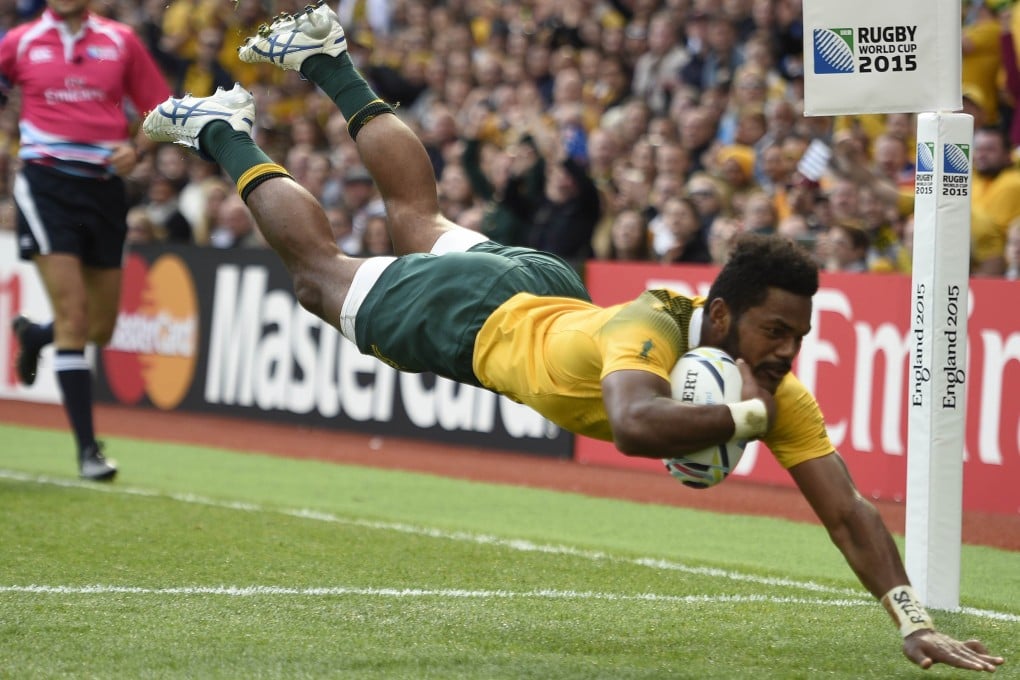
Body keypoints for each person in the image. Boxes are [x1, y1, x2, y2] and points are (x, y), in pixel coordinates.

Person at [142, 2, 1004, 672]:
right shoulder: (654, 330)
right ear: (725, 317)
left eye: (798, 337)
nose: (786, 352)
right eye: (775, 332)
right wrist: (741, 420)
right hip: (478, 318)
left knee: (416, 217)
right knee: (318, 277)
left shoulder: (769, 389)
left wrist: (912, 619)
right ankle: (219, 124)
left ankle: (326, 55)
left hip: (545, 284)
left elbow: (848, 513)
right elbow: (635, 424)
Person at [1, 0, 171, 481]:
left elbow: (161, 108)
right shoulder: (21, 41)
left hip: (103, 189)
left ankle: (35, 335)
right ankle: (87, 452)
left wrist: (136, 150)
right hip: (45, 183)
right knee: (75, 318)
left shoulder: (120, 41)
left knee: (102, 326)